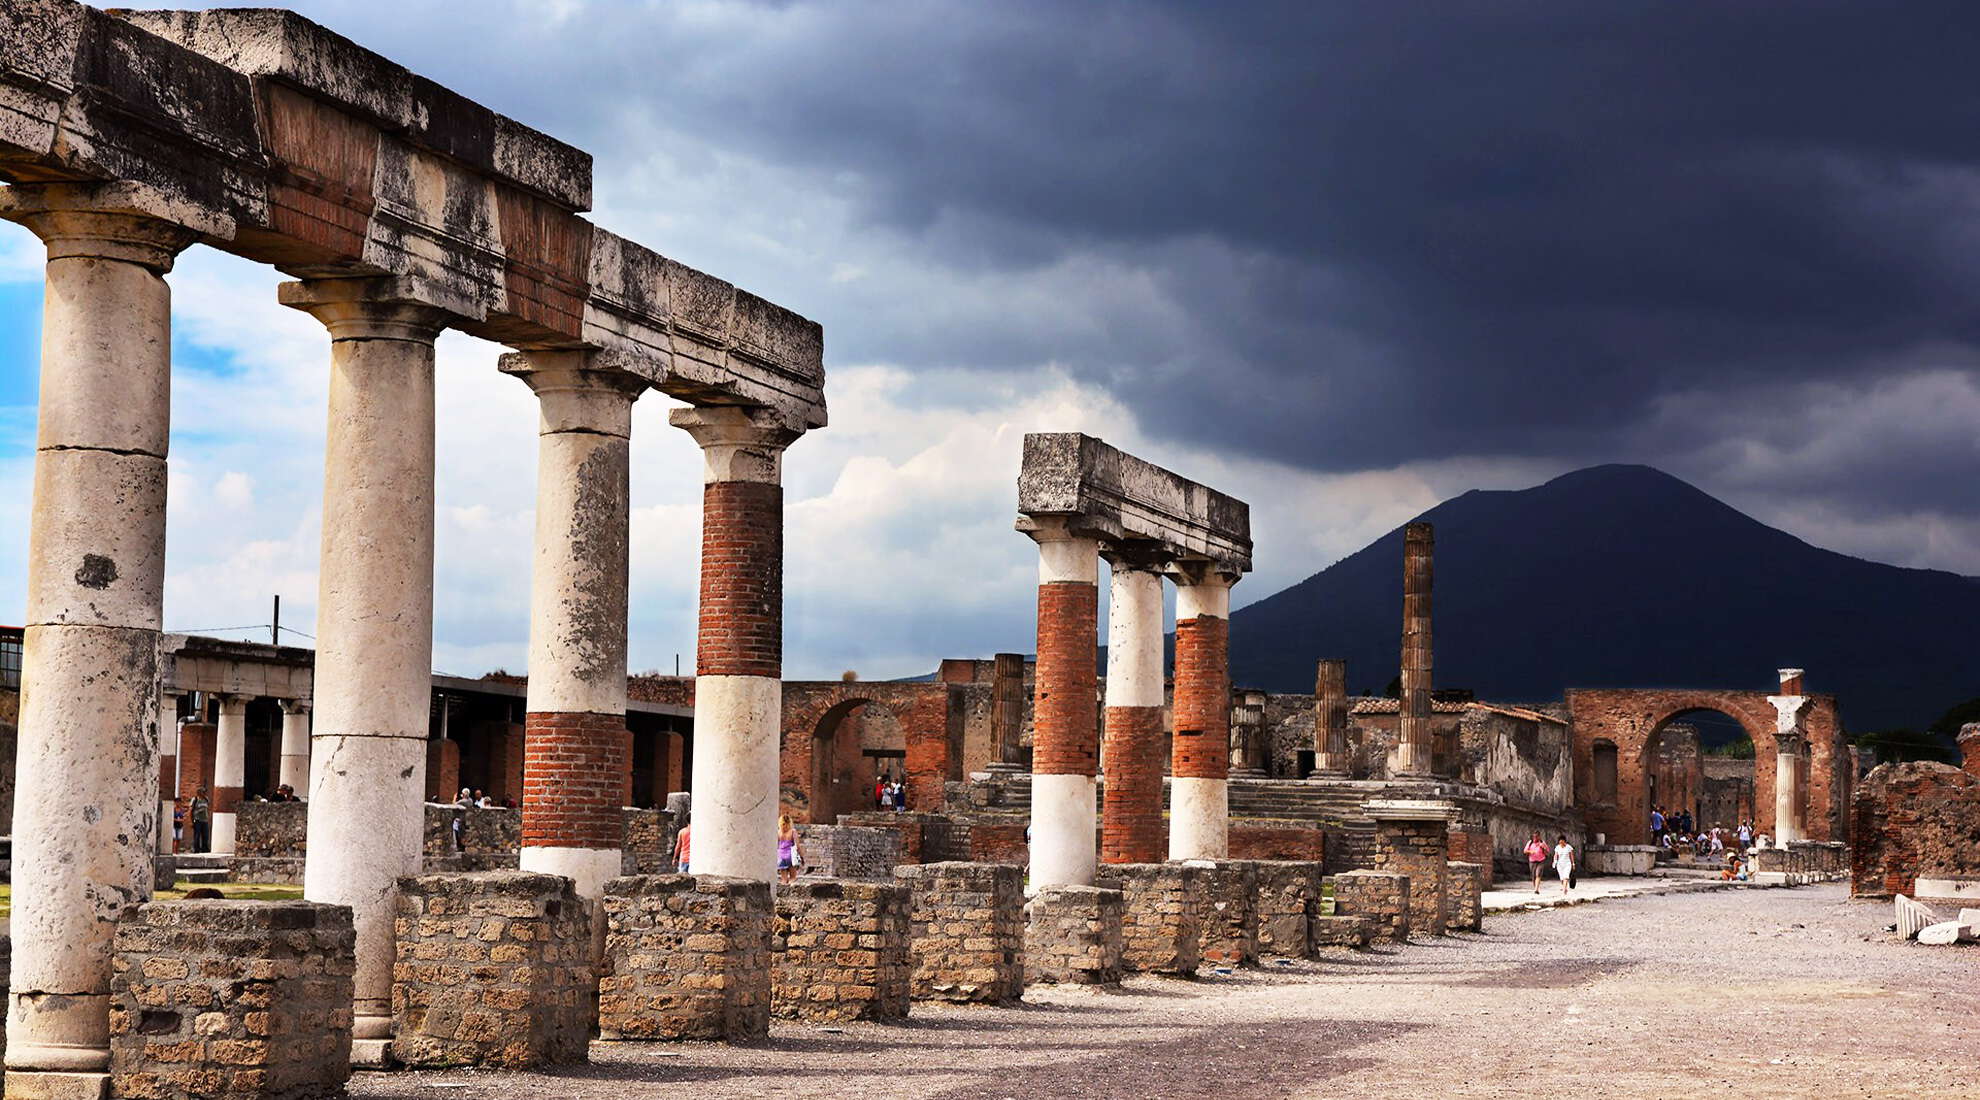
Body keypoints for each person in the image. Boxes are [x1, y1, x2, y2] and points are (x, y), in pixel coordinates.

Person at [777, 815, 803, 885]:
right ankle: (791, 893)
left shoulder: (778, 832)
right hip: (790, 856)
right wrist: (801, 857)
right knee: (793, 878)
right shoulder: (792, 831)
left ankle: (783, 894)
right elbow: (797, 846)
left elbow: (776, 846)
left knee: (784, 880)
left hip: (781, 856)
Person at [190, 788, 211, 852]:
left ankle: (205, 848)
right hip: (197, 820)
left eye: (204, 792)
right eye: (203, 792)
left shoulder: (206, 799)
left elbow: (208, 809)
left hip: (204, 820)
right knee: (197, 835)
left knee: (205, 835)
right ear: (199, 792)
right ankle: (196, 849)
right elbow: (191, 811)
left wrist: (208, 817)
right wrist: (191, 821)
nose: (204, 793)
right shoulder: (195, 800)